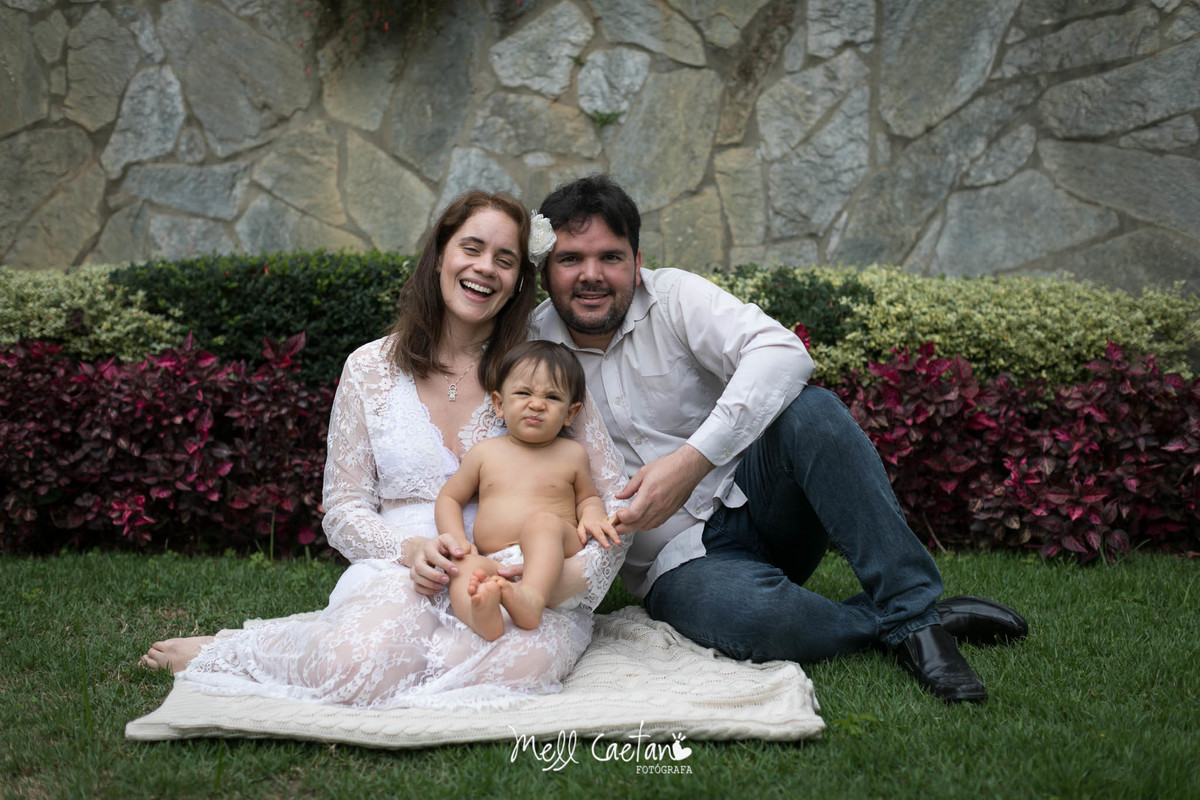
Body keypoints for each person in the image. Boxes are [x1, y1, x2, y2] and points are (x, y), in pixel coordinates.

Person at [531, 175, 1028, 704]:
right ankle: (913, 619)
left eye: (610, 257)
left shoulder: (673, 297)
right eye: (571, 259)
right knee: (752, 617)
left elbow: (783, 353)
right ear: (545, 271)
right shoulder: (530, 351)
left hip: (762, 503)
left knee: (813, 411)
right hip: (677, 566)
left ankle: (913, 613)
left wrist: (691, 461)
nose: (591, 275)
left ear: (636, 262)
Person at [140, 191, 629, 709]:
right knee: (360, 668)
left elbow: (617, 502)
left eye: (505, 259)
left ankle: (393, 650)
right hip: (403, 571)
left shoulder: (541, 373)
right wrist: (409, 550)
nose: (485, 268)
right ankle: (240, 650)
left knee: (508, 670)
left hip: (518, 575)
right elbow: (343, 509)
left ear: (518, 281)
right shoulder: (368, 368)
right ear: (439, 256)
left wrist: (561, 580)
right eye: (471, 248)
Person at [436, 340, 620, 641]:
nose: (536, 404)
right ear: (499, 404)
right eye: (523, 393)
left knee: (543, 522)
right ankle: (480, 614)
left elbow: (588, 496)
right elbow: (449, 497)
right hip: (494, 561)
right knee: (463, 567)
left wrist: (593, 514)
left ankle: (531, 598)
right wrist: (458, 541)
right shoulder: (484, 453)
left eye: (552, 397)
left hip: (553, 563)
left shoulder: (571, 454)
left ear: (571, 413)